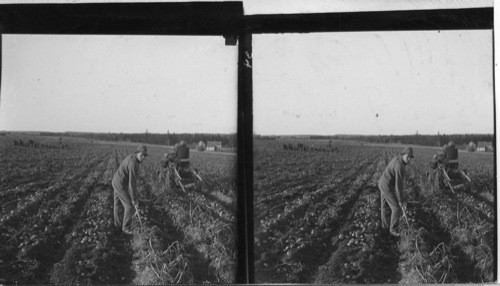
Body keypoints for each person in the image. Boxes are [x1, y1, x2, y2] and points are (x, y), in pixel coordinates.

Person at [378, 146, 414, 237]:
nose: (409, 159)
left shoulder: (398, 160)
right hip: (387, 186)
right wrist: (400, 200)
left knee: (385, 206)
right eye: (408, 156)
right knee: (396, 208)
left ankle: (384, 228)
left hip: (382, 183)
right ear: (403, 155)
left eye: (410, 157)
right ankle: (393, 230)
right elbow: (399, 186)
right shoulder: (400, 166)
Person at [112, 145, 148, 235]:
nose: (143, 157)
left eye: (144, 155)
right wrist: (134, 199)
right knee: (129, 207)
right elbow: (132, 184)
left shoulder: (131, 157)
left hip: (115, 181)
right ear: (137, 153)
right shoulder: (133, 164)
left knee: (117, 205)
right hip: (120, 184)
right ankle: (125, 228)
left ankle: (117, 226)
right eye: (142, 155)